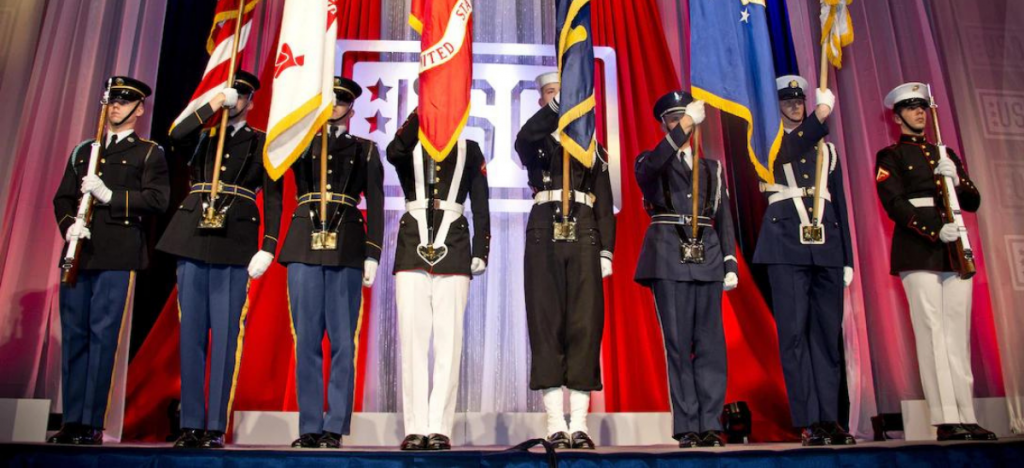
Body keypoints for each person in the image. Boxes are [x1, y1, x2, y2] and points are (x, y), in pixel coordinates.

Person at [159, 71, 283, 448]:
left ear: (251, 101)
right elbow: (175, 137)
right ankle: (191, 423)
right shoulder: (204, 136)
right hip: (192, 235)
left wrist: (269, 244)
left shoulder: (261, 142)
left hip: (235, 240)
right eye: (231, 94)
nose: (234, 101)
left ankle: (214, 425)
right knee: (192, 334)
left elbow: (274, 197)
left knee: (227, 336)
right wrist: (212, 104)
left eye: (240, 96)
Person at [50, 76, 169, 445]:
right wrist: (70, 227)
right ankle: (70, 419)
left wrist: (110, 194)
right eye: (112, 101)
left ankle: (90, 422)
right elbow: (62, 199)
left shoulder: (148, 153)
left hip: (117, 253)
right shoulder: (86, 150)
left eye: (123, 101)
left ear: (139, 108)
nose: (115, 107)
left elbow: (157, 200)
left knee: (103, 336)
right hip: (80, 252)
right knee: (74, 335)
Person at [875, 82, 994, 442]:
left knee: (957, 332)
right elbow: (894, 203)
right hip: (919, 245)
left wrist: (955, 178)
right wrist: (931, 229)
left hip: (954, 244)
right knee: (931, 330)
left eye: (922, 107)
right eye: (911, 108)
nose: (919, 113)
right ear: (897, 116)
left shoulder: (945, 152)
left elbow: (972, 201)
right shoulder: (890, 156)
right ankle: (945, 417)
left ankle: (966, 414)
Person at [277, 77, 384, 449]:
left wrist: (373, 252)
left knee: (342, 340)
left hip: (347, 244)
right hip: (305, 240)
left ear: (352, 109)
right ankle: (309, 424)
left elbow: (377, 202)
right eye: (330, 100)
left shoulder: (366, 150)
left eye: (341, 102)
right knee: (305, 338)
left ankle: (334, 425)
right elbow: (276, 162)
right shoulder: (303, 144)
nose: (335, 107)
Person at [514, 71, 616, 450]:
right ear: (543, 101)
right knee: (547, 325)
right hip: (544, 233)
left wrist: (607, 249)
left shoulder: (593, 147)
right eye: (551, 94)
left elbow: (604, 202)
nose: (559, 98)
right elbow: (523, 139)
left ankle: (581, 423)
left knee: (584, 327)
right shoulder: (536, 141)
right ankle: (556, 422)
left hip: (585, 234)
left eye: (564, 92)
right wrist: (560, 107)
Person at [752, 76, 855, 446]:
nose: (796, 104)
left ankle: (831, 418)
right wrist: (822, 113)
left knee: (827, 337)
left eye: (800, 100)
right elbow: (789, 152)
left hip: (826, 244)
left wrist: (848, 258)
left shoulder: (828, 150)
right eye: (787, 100)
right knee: (794, 336)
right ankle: (809, 419)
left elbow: (840, 205)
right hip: (785, 244)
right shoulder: (767, 140)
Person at [634, 91, 736, 448]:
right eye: (674, 119)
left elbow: (721, 218)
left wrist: (729, 261)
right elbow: (651, 169)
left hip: (707, 256)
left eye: (685, 117)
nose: (681, 124)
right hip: (668, 255)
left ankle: (710, 421)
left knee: (710, 344)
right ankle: (687, 425)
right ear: (664, 124)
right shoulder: (650, 159)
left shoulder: (712, 168)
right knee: (677, 344)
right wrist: (684, 128)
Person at [386, 108, 490, 451]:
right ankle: (415, 426)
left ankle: (439, 426)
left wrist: (481, 249)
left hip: (456, 244)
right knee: (413, 341)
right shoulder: (409, 145)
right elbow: (393, 152)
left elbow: (481, 202)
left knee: (449, 341)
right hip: (413, 243)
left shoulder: (470, 149)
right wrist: (421, 111)